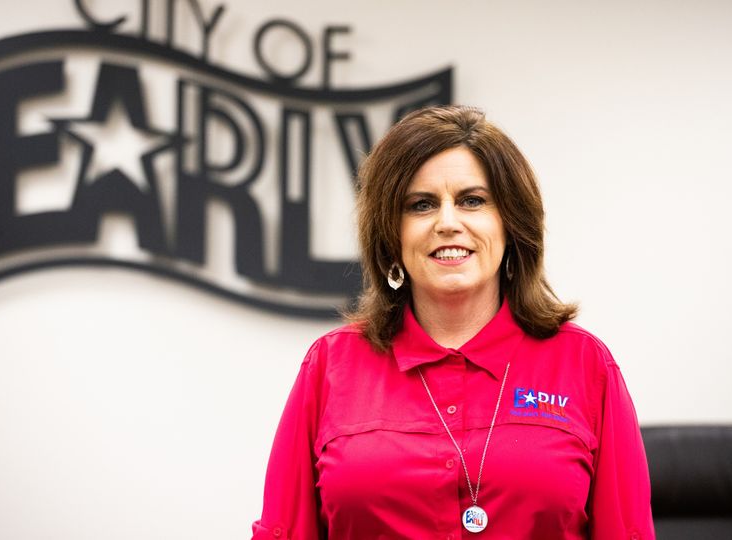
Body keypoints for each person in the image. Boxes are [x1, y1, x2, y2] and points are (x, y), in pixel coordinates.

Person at [252, 105, 654, 539]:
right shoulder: (330, 366)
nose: (447, 223)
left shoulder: (584, 364)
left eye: (472, 201)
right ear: (391, 233)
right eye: (420, 205)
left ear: (511, 223)